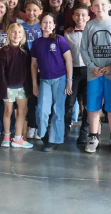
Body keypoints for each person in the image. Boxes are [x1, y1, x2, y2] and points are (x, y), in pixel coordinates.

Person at [80, 0, 111, 153]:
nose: (99, 8)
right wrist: (91, 66)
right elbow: (84, 49)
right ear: (92, 8)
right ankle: (93, 136)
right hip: (94, 74)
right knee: (93, 106)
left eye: (103, 4)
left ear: (109, 7)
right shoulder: (89, 26)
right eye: (96, 5)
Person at [30, 13, 73, 152]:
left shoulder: (60, 40)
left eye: (50, 23)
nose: (47, 25)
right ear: (40, 24)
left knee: (58, 110)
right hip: (44, 80)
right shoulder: (37, 43)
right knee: (42, 109)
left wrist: (69, 81)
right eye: (44, 22)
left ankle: (54, 139)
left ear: (54, 25)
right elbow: (34, 65)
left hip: (60, 79)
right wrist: (34, 84)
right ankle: (43, 134)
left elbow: (69, 60)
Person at [0, 23, 33, 149]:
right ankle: (6, 136)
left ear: (23, 35)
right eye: (14, 32)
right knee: (8, 111)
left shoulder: (25, 50)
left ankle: (17, 138)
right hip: (9, 87)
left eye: (19, 32)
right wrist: (3, 89)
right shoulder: (4, 51)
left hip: (22, 87)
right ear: (9, 34)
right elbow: (0, 73)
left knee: (22, 111)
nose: (16, 35)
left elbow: (28, 70)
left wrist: (29, 87)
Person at [63, 5, 91, 145]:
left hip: (88, 71)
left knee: (87, 103)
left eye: (83, 15)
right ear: (73, 17)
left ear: (88, 18)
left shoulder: (93, 32)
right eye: (77, 15)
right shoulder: (67, 34)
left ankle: (84, 132)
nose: (80, 18)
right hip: (73, 71)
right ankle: (65, 129)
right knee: (69, 102)